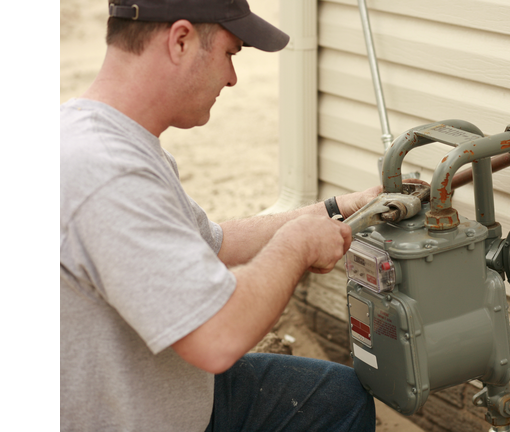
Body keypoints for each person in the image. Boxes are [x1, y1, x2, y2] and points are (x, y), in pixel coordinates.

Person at [60, 1, 381, 430]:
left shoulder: (107, 138)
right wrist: (297, 246)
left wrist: (338, 208)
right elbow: (216, 338)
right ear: (180, 40)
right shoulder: (106, 170)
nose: (232, 77)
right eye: (230, 53)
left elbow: (217, 245)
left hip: (171, 393)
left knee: (340, 398)